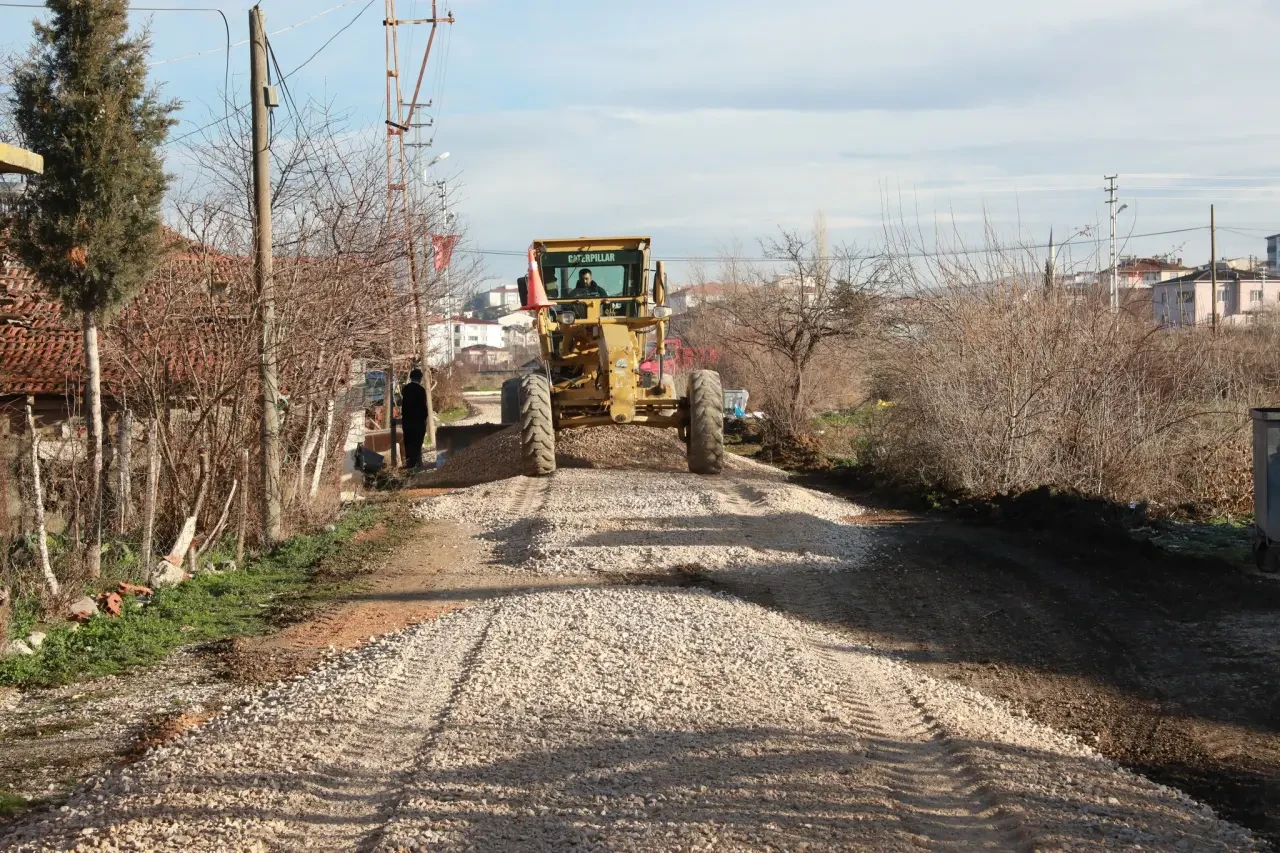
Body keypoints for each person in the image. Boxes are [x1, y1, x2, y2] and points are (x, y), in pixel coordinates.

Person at [400, 368, 428, 469]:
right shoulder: (421, 390)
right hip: (418, 422)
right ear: (420, 378)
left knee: (408, 443)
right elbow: (423, 408)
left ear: (411, 378)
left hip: (407, 422)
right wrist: (425, 419)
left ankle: (409, 464)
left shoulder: (405, 389)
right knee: (417, 443)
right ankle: (417, 464)